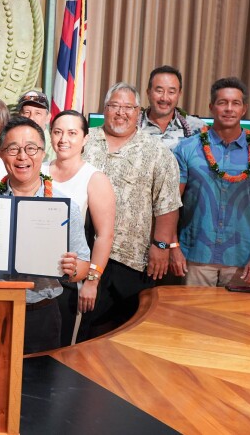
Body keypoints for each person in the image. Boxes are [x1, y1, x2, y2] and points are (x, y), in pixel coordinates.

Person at [0, 116, 90, 354]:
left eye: (31, 148)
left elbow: (84, 265)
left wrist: (72, 268)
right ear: (2, 154)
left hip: (40, 315)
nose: (22, 156)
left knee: (38, 388)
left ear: (43, 153)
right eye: (13, 149)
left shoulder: (63, 207)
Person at [80, 82, 182, 340]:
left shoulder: (157, 152)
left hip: (134, 259)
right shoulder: (85, 142)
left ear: (139, 111)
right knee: (84, 332)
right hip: (85, 255)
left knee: (127, 333)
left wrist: (161, 245)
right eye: (114, 106)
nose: (121, 112)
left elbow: (167, 204)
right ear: (104, 109)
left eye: (128, 107)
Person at [173, 77, 250, 288]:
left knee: (236, 322)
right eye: (222, 102)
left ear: (244, 109)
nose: (229, 109)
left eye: (236, 103)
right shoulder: (186, 149)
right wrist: (173, 247)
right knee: (193, 320)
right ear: (212, 107)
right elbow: (171, 203)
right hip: (195, 258)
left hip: (243, 260)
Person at [46, 110, 115, 342]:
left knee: (60, 350)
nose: (63, 139)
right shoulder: (38, 170)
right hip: (34, 279)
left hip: (70, 281)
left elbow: (104, 235)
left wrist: (91, 281)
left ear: (85, 138)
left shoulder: (94, 178)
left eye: (72, 133)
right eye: (57, 132)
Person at [138, 65, 205, 150]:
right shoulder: (132, 125)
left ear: (179, 94)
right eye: (159, 91)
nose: (164, 98)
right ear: (148, 92)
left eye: (171, 92)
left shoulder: (197, 128)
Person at [17, 90, 56, 162]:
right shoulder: (11, 145)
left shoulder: (56, 149)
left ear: (48, 118)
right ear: (19, 116)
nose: (31, 117)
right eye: (27, 112)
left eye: (37, 113)